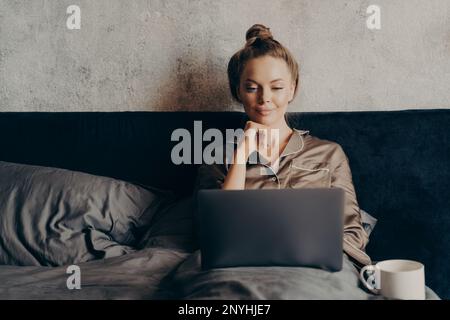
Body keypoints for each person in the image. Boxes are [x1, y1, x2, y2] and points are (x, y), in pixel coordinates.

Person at [194, 24, 371, 267]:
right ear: (238, 92)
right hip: (242, 271)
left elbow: (353, 234)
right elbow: (215, 233)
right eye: (252, 88)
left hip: (313, 270)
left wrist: (302, 246)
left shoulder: (329, 154)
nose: (264, 98)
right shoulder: (217, 158)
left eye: (276, 87)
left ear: (292, 89)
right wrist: (242, 154)